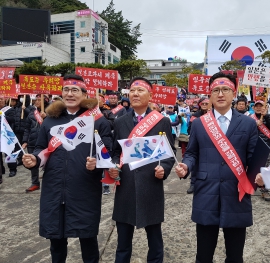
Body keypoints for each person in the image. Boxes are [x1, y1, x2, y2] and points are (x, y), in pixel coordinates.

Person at [22, 74, 112, 263]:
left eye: (75, 90)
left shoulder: (98, 121)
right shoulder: (50, 120)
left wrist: (97, 163)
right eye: (66, 90)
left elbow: (108, 153)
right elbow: (40, 148)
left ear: (84, 93)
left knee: (88, 240)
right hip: (54, 188)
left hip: (84, 188)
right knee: (56, 241)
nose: (70, 94)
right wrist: (34, 160)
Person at [175, 72, 264, 263]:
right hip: (206, 191)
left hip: (236, 192)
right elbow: (192, 153)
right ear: (210, 95)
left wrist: (261, 175)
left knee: (235, 255)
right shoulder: (199, 123)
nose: (221, 94)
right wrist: (186, 167)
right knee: (204, 255)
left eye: (225, 90)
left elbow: (253, 157)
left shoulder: (248, 124)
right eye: (216, 90)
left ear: (234, 93)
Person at [108, 77, 176, 263]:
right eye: (132, 91)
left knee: (154, 240)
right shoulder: (120, 121)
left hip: (151, 185)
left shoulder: (161, 121)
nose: (135, 94)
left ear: (151, 96)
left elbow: (169, 154)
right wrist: (114, 166)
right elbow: (115, 152)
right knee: (123, 242)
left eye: (140, 91)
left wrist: (164, 168)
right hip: (126, 187)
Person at [250, 100, 270, 201]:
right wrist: (255, 125)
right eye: (256, 106)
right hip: (252, 146)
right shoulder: (249, 118)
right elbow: (245, 130)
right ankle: (250, 187)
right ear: (253, 108)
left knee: (266, 169)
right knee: (251, 168)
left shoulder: (269, 116)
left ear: (265, 107)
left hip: (266, 146)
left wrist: (266, 116)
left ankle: (265, 191)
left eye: (260, 106)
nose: (258, 108)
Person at [22, 94, 49, 192]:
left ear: (45, 101)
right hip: (32, 142)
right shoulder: (32, 113)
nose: (37, 102)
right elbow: (27, 129)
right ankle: (35, 183)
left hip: (46, 143)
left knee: (48, 163)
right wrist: (25, 141)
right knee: (32, 163)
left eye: (39, 100)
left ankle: (48, 183)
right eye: (36, 100)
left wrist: (46, 118)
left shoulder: (51, 112)